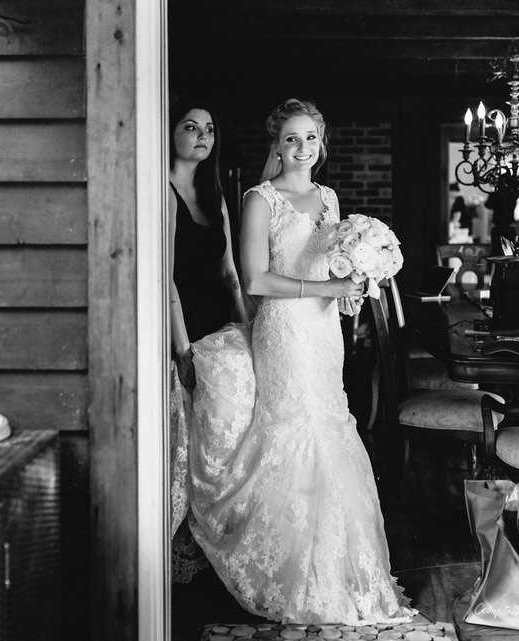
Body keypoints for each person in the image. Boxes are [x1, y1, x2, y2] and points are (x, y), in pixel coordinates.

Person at [187, 98, 415, 625]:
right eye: (292, 138)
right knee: (295, 431)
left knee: (332, 428)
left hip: (323, 332)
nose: (302, 148)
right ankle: (290, 574)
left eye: (311, 138)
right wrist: (328, 285)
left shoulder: (329, 198)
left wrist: (353, 286)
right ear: (277, 145)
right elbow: (255, 281)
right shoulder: (259, 200)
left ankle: (339, 572)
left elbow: (332, 265)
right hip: (284, 333)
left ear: (321, 144)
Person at [168, 96, 248, 390]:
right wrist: (182, 349)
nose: (203, 135)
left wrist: (244, 324)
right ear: (169, 133)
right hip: (181, 323)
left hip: (218, 321)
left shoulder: (214, 194)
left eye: (210, 129)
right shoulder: (163, 191)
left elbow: (228, 270)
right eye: (191, 127)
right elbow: (166, 277)